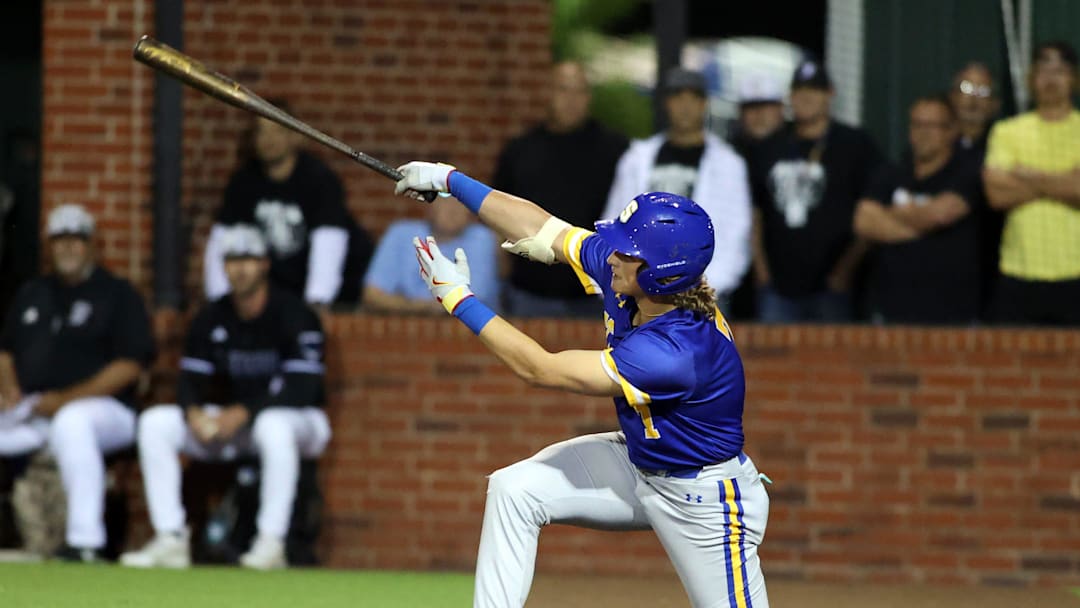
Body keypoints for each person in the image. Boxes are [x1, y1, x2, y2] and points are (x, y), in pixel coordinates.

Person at [394, 162, 771, 607]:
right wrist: (450, 181)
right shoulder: (637, 283)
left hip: (704, 500)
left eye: (627, 251)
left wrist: (457, 298)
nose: (611, 255)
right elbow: (543, 227)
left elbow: (541, 369)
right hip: (639, 462)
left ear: (661, 273)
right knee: (515, 490)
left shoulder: (676, 351)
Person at [121, 225, 331, 570]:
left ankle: (270, 542)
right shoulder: (212, 315)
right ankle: (170, 537)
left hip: (300, 423)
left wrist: (243, 412)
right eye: (232, 259)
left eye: (248, 259)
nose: (239, 268)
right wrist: (193, 414)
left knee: (273, 425)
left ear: (264, 264)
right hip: (238, 424)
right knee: (155, 423)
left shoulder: (294, 313)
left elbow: (302, 388)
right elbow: (189, 380)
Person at [0, 203, 155, 561]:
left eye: (76, 240)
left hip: (107, 413)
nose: (68, 248)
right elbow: (5, 352)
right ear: (49, 245)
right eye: (60, 240)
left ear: (91, 245)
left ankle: (84, 540)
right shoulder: (33, 293)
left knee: (74, 422)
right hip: (34, 411)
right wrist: (8, 387)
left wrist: (66, 399)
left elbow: (131, 365)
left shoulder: (117, 293)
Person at [603, 67, 752, 314]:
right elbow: (618, 219)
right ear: (666, 103)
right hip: (642, 291)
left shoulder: (729, 164)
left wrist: (709, 285)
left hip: (703, 292)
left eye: (692, 98)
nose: (685, 106)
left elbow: (737, 231)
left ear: (704, 104)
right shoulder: (637, 158)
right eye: (677, 97)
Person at [749, 59, 884, 322]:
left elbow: (872, 211)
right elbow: (755, 213)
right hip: (778, 287)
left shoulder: (855, 145)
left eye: (814, 90)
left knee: (835, 361)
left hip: (834, 285)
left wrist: (846, 270)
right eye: (799, 91)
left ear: (829, 94)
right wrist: (762, 272)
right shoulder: (769, 146)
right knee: (774, 361)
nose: (805, 98)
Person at [203, 101, 374, 308]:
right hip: (267, 296)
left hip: (329, 295)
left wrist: (317, 302)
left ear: (296, 136)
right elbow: (224, 241)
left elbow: (329, 242)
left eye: (278, 131)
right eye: (262, 132)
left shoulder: (319, 180)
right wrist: (220, 302)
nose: (269, 140)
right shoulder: (244, 182)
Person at [493, 61, 628, 318]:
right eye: (563, 90)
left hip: (597, 291)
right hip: (529, 291)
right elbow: (499, 212)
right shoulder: (520, 150)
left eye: (579, 91)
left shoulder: (616, 150)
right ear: (548, 93)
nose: (571, 100)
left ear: (589, 97)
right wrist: (503, 268)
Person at [854, 94, 983, 324]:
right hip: (891, 311)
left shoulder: (966, 172)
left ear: (951, 131)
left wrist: (891, 216)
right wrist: (921, 226)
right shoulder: (891, 172)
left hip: (952, 314)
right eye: (917, 124)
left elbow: (940, 214)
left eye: (932, 126)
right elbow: (864, 222)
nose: (923, 133)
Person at [982, 41, 1080, 325]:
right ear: (1031, 79)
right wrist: (1065, 180)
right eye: (1043, 69)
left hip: (1075, 271)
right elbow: (996, 194)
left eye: (1060, 70)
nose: (1051, 78)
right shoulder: (1007, 131)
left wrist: (1028, 176)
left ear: (1073, 78)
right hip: (1019, 272)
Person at [364, 196, 499, 314]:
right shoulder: (401, 234)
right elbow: (373, 295)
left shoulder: (482, 238)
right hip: (406, 328)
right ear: (429, 206)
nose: (453, 210)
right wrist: (421, 307)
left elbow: (471, 301)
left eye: (460, 203)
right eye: (445, 202)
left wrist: (404, 303)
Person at [949, 62, 999, 164]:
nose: (973, 98)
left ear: (996, 103)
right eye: (966, 88)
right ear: (952, 96)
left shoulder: (1003, 142)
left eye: (983, 91)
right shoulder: (940, 140)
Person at [729, 72, 786, 161]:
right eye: (751, 107)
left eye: (765, 106)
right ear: (740, 112)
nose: (758, 114)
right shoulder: (727, 153)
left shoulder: (800, 149)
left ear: (780, 109)